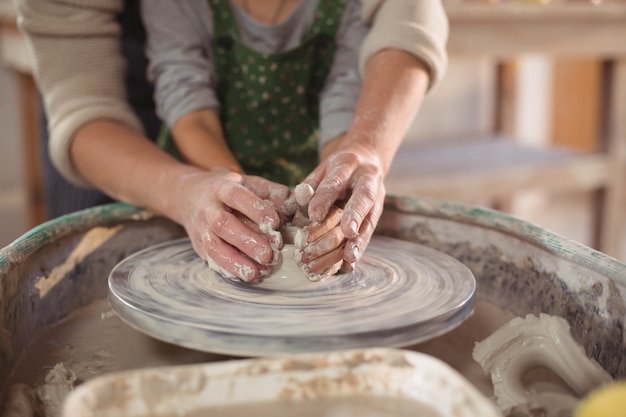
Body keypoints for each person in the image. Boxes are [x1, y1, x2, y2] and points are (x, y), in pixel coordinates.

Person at [15, 0, 448, 282]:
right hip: (160, 112)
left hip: (299, 150)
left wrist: (356, 157)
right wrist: (204, 190)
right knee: (91, 286)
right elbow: (184, 103)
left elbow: (348, 92)